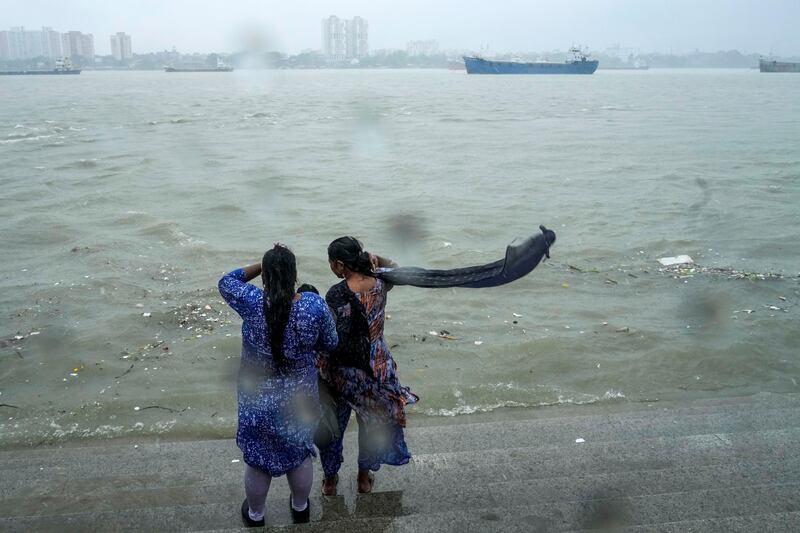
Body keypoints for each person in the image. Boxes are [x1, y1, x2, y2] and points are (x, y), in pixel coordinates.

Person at [218, 244, 337, 527]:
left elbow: (226, 282)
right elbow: (330, 343)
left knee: (258, 461)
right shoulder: (313, 305)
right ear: (295, 274)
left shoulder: (252, 301)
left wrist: (261, 264)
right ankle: (300, 508)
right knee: (298, 453)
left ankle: (256, 514)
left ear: (266, 277)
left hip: (257, 401)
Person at [317, 236, 419, 495]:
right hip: (376, 366)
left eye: (331, 263)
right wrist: (378, 258)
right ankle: (363, 478)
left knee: (334, 426)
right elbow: (397, 268)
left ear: (339, 265)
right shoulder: (381, 283)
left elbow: (331, 336)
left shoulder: (336, 293)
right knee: (370, 423)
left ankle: (330, 481)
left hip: (341, 372)